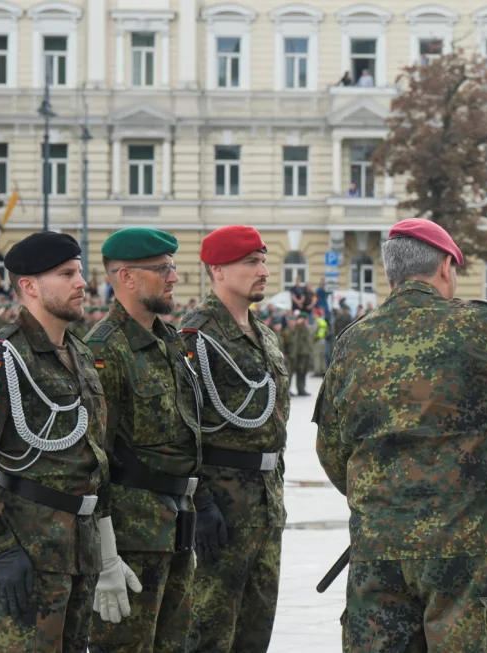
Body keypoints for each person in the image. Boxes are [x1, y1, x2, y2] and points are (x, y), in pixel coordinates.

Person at [313, 218, 487, 653]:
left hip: (379, 549)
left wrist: (388, 498)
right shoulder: (480, 325)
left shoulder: (354, 342)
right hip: (466, 549)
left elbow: (332, 449)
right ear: (446, 266)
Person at [0, 232, 109, 653]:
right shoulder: (1, 358)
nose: (82, 283)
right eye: (66, 274)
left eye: (80, 272)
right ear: (30, 286)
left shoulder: (79, 354)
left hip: (78, 548)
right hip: (29, 549)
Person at [84, 228, 202, 653]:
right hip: (132, 538)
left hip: (175, 527)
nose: (174, 278)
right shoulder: (104, 349)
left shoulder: (168, 342)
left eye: (173, 267)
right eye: (163, 269)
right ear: (127, 277)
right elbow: (93, 459)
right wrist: (106, 556)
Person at [180, 226, 290, 653]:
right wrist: (201, 503)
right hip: (221, 510)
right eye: (251, 262)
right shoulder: (195, 337)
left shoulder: (263, 334)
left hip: (264, 503)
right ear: (218, 270)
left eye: (263, 260)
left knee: (255, 631)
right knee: (209, 632)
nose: (263, 270)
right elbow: (182, 427)